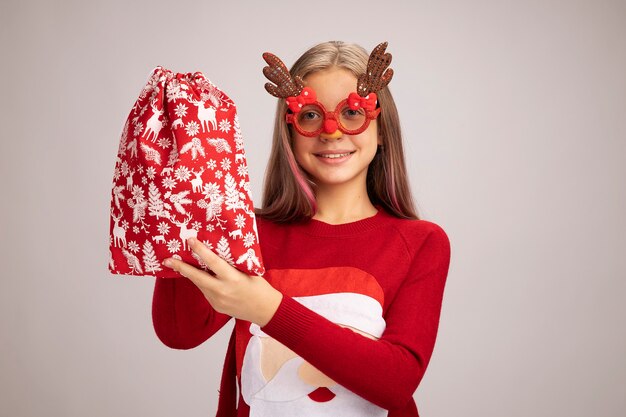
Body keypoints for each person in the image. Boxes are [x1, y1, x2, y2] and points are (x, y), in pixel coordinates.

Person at [152, 41, 451, 417]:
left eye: (353, 113)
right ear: (289, 132)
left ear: (381, 130)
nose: (331, 132)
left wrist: (268, 309)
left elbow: (395, 383)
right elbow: (179, 332)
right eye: (309, 115)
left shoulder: (420, 243)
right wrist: (183, 204)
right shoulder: (249, 232)